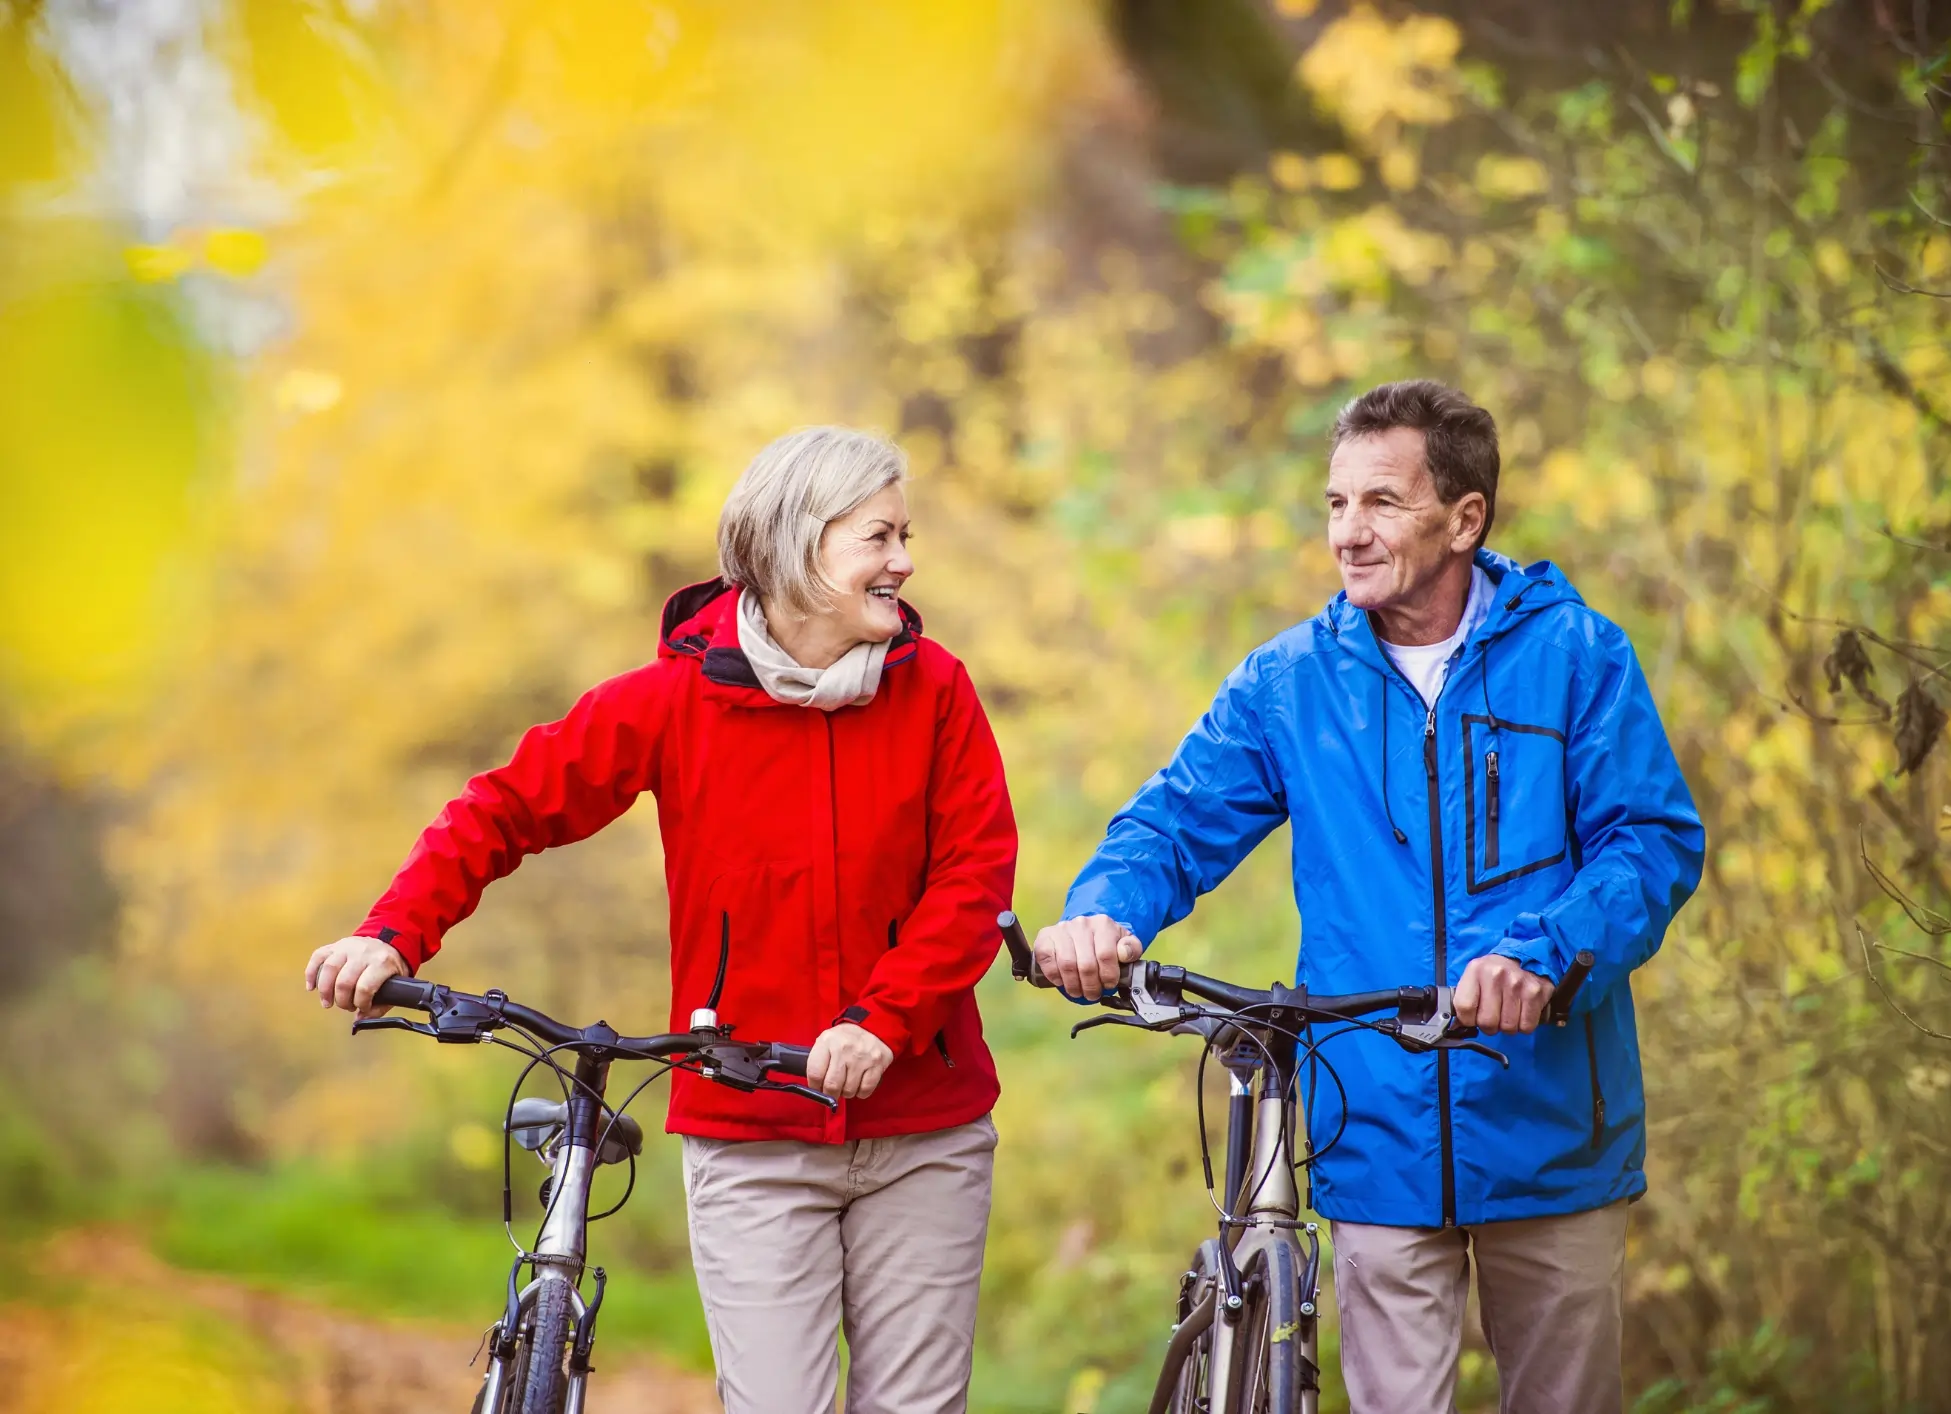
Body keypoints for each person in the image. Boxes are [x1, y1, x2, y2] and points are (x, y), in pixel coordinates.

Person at [305, 426, 1016, 1414]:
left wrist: (882, 1019)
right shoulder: (673, 701)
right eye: (878, 536)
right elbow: (505, 806)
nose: (903, 561)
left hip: (922, 1127)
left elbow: (973, 878)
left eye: (905, 535)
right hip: (750, 1130)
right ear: (795, 544)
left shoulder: (933, 690)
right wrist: (391, 933)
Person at [1034, 380, 1704, 1414]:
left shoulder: (1574, 656)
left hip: (1552, 1121)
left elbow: (1648, 843)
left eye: (1380, 502)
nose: (1347, 532)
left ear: (1463, 517)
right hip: (1373, 1123)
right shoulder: (1289, 680)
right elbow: (1170, 823)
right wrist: (1103, 910)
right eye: (1335, 502)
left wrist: (1546, 950)